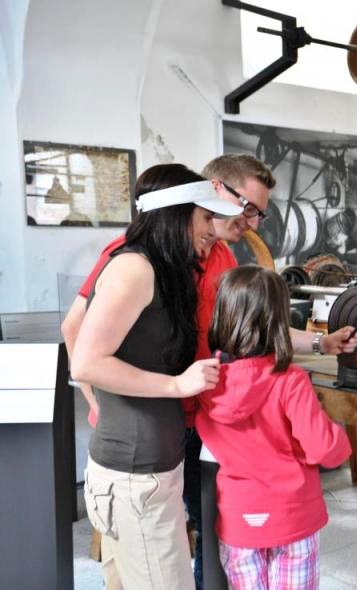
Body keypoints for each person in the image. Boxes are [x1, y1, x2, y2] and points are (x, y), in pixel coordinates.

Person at [61, 154, 357, 589]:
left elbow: (253, 325)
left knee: (205, 544)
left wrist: (319, 342)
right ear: (214, 194)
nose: (252, 223)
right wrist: (103, 405)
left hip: (195, 416)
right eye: (249, 208)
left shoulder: (212, 257)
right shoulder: (137, 262)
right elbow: (79, 341)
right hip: (156, 437)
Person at [71, 164, 244, 589]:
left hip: (143, 473)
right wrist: (175, 385)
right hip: (136, 480)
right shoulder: (136, 268)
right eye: (204, 216)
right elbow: (87, 363)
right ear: (175, 213)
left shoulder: (163, 270)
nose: (212, 228)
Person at [197, 266, 352, 589]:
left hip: (239, 519)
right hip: (293, 516)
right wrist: (339, 433)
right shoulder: (290, 382)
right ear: (278, 321)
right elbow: (325, 450)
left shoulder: (207, 382)